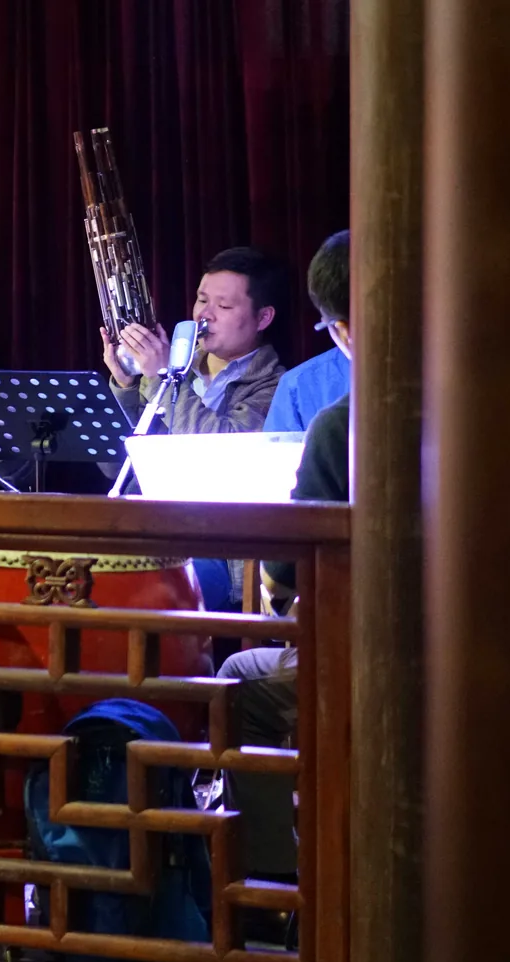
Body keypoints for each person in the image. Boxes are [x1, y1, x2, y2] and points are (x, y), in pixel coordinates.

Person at [214, 230, 350, 888]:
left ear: (343, 329)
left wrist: (280, 598)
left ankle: (274, 890)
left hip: (371, 650)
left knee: (238, 676)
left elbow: (287, 569)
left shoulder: (340, 423)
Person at [102, 246, 286, 435]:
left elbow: (224, 445)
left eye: (224, 306)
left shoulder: (278, 387)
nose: (203, 315)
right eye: (202, 300)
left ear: (263, 318)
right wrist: (125, 386)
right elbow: (125, 450)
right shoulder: (175, 363)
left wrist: (161, 377)